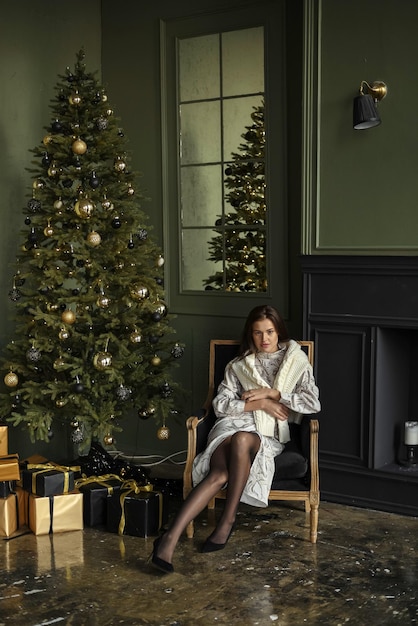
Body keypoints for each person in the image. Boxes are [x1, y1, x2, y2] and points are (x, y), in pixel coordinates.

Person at [150, 304, 321, 573]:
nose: (264, 339)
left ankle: (220, 522)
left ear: (279, 332)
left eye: (270, 332)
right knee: (219, 473)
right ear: (250, 335)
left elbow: (312, 403)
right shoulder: (238, 365)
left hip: (266, 434)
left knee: (243, 441)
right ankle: (171, 539)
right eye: (257, 333)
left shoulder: (296, 362)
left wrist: (274, 395)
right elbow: (220, 405)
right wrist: (259, 405)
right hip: (231, 425)